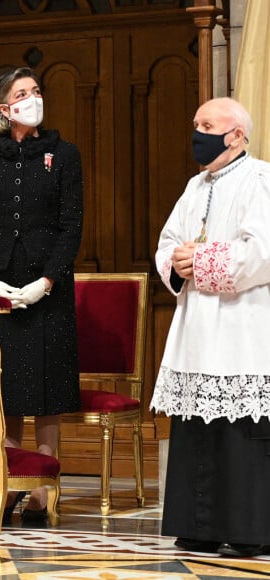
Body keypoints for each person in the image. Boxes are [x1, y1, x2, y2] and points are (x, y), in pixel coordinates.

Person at [0, 67, 83, 522]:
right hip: (0, 288)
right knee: (7, 387)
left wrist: (46, 281)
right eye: (21, 94)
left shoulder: (63, 154)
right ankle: (11, 480)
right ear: (2, 108)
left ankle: (44, 487)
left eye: (35, 91)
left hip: (46, 286)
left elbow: (71, 226)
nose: (32, 99)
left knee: (47, 389)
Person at [151, 97, 270, 557]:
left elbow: (262, 252)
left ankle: (247, 528)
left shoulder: (260, 180)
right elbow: (167, 243)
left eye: (208, 124)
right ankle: (197, 523)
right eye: (195, 122)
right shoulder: (194, 186)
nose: (197, 131)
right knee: (195, 425)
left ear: (237, 134)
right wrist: (177, 262)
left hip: (242, 323)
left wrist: (199, 259)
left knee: (240, 428)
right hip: (198, 323)